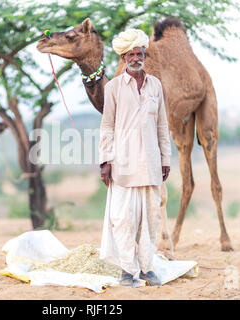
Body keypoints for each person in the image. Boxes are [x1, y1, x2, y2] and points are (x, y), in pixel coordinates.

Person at [98, 29, 171, 286]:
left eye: (139, 53)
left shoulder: (156, 86)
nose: (135, 57)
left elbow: (162, 125)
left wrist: (166, 159)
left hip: (151, 163)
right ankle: (128, 271)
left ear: (143, 55)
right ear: (124, 57)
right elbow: (107, 125)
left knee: (151, 220)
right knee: (123, 219)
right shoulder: (114, 87)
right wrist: (105, 161)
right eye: (130, 54)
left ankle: (148, 269)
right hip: (123, 165)